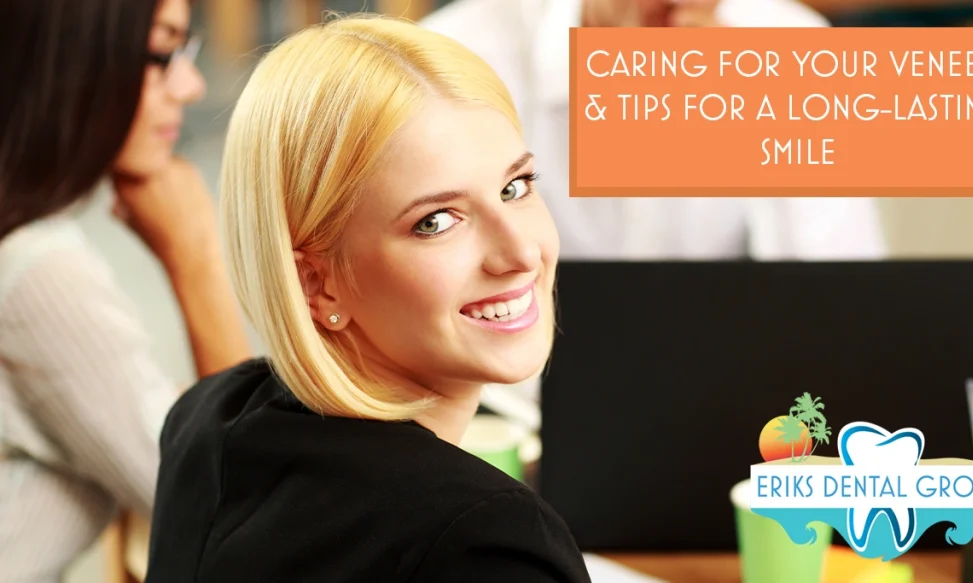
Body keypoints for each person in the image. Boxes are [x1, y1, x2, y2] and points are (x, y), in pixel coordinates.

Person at [146, 14, 590, 583]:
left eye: (515, 187)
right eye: (436, 221)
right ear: (316, 283)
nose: (519, 253)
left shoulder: (207, 415)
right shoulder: (485, 541)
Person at [420, 0, 888, 409]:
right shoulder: (460, 55)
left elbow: (839, 299)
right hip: (513, 391)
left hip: (732, 389)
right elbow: (436, 297)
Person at [0, 0, 251, 580]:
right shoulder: (37, 276)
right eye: (163, 53)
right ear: (72, 54)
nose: (192, 85)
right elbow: (245, 526)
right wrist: (196, 258)